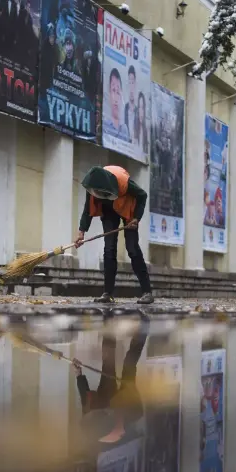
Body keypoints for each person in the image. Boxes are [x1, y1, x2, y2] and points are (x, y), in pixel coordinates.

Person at [75, 165, 153, 304]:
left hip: (128, 209)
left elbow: (142, 195)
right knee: (109, 249)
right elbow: (88, 210)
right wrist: (81, 232)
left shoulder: (123, 181)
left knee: (132, 249)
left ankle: (147, 292)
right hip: (109, 211)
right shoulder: (92, 184)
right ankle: (107, 294)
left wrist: (136, 218)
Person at [102, 69, 130, 141]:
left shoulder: (125, 130)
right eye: (113, 90)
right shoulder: (104, 125)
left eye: (118, 92)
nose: (116, 99)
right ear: (109, 93)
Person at [124, 66, 137, 134]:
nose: (131, 87)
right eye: (129, 82)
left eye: (132, 82)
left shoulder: (138, 112)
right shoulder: (124, 109)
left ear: (135, 84)